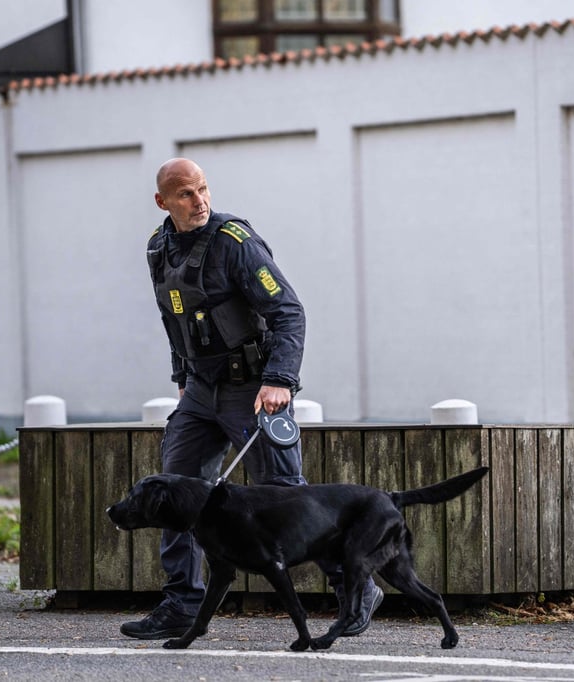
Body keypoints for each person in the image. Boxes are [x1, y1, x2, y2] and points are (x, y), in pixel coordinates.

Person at [121, 158, 383, 639]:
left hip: (253, 389)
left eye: (202, 189)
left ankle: (356, 589)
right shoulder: (159, 248)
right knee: (177, 493)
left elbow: (288, 311)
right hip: (200, 391)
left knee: (285, 497)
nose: (199, 201)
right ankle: (182, 604)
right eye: (185, 194)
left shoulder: (234, 243)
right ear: (162, 201)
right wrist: (183, 377)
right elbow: (174, 318)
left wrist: (280, 378)